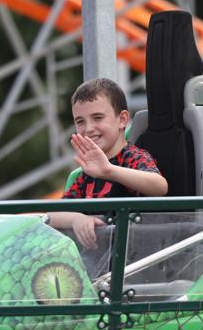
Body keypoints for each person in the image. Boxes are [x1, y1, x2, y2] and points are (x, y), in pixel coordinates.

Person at [48, 78, 168, 249]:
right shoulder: (86, 174)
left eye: (97, 118)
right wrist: (77, 219)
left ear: (122, 120)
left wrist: (109, 171)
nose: (89, 128)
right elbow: (53, 215)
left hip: (136, 257)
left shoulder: (132, 157)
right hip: (101, 260)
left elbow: (159, 186)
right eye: (80, 121)